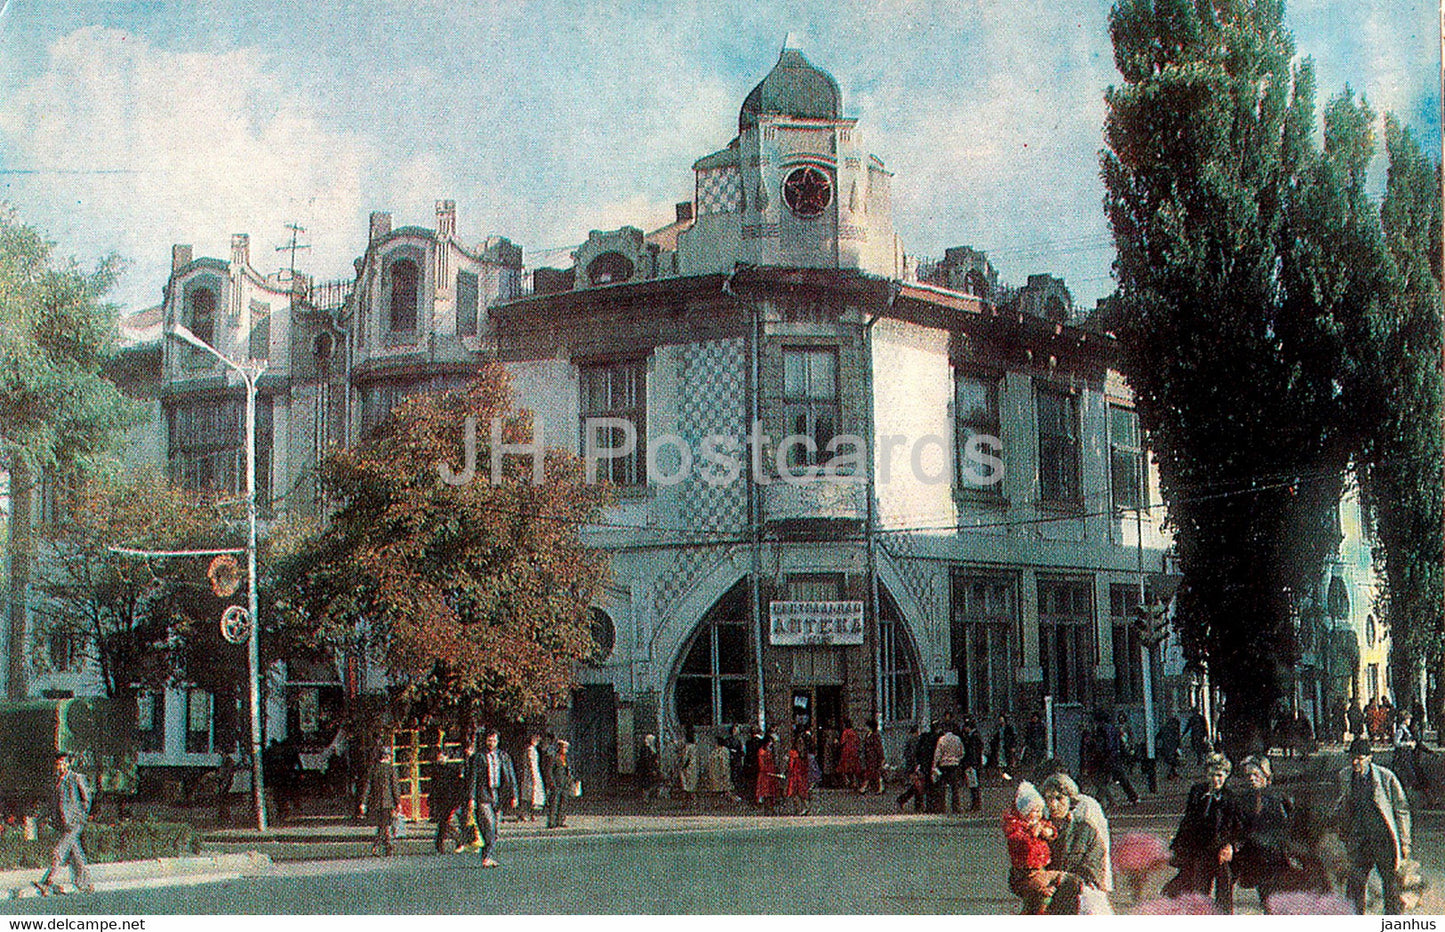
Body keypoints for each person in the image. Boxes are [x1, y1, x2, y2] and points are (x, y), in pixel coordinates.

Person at [1335, 737, 1411, 914]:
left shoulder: (1386, 777)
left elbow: (1402, 810)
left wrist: (1405, 842)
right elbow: (1343, 805)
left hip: (1383, 838)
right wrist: (1341, 828)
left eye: (1360, 758)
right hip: (1360, 839)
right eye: (1352, 758)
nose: (1355, 762)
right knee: (1355, 883)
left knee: (1390, 883)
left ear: (1370, 758)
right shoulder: (1345, 776)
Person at [1162, 752, 1240, 912]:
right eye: (1212, 775)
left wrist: (1230, 846)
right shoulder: (1197, 792)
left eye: (1220, 775)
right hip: (1200, 850)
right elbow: (1189, 820)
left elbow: (1235, 826)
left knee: (1224, 893)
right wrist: (1177, 845)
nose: (1215, 780)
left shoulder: (1230, 798)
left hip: (1220, 851)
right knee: (1199, 891)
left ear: (1226, 775)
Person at [1041, 773, 1112, 914]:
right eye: (1048, 798)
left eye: (1059, 798)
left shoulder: (1085, 831)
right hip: (1047, 900)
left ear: (1071, 800)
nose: (1053, 804)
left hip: (1077, 900)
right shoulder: (1039, 830)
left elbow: (1093, 869)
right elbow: (1021, 873)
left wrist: (1063, 880)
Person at [1232, 755, 1293, 911]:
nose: (1252, 779)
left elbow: (1290, 826)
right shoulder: (1243, 799)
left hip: (1276, 856)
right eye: (1248, 775)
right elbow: (1239, 826)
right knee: (1266, 899)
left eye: (1256, 774)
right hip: (1255, 857)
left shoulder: (1278, 798)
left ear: (1266, 775)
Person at [33, 754, 93, 896]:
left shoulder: (76, 778)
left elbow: (86, 799)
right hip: (63, 824)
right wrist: (41, 817)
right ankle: (85, 884)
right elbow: (53, 803)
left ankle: (46, 882)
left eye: (61, 764)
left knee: (58, 852)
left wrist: (79, 817)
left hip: (74, 823)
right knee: (75, 854)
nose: (59, 767)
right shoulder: (57, 782)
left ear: (67, 764)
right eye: (57, 764)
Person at [1002, 781, 1064, 914]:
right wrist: (1032, 834)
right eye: (1034, 811)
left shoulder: (1039, 823)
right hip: (1025, 869)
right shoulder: (1016, 825)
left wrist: (1048, 832)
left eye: (1040, 811)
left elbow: (1051, 829)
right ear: (1025, 811)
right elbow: (1016, 840)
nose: (1038, 814)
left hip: (1040, 865)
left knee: (1041, 899)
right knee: (1039, 896)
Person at [465, 727, 518, 865]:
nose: (491, 743)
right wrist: (471, 798)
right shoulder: (478, 757)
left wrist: (514, 795)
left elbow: (511, 776)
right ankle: (486, 856)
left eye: (494, 740)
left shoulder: (504, 757)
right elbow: (473, 778)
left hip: (498, 794)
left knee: (495, 829)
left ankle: (487, 854)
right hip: (483, 794)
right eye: (489, 740)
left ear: (498, 741)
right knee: (489, 825)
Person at [358, 744, 401, 857]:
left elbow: (367, 787)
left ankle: (387, 847)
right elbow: (394, 787)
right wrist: (398, 802)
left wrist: (363, 802)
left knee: (383, 824)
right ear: (388, 756)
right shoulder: (391, 769)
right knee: (384, 825)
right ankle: (379, 846)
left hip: (375, 802)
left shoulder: (373, 769)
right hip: (388, 802)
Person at [429, 738, 467, 852]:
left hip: (449, 800)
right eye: (439, 757)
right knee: (442, 822)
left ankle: (448, 842)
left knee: (443, 822)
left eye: (442, 756)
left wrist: (457, 800)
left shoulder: (452, 770)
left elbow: (458, 786)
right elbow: (433, 786)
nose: (440, 759)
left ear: (447, 757)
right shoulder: (435, 770)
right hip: (438, 800)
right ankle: (450, 842)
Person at [932, 720, 965, 814]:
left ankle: (942, 807)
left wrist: (935, 764)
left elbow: (938, 754)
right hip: (954, 765)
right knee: (955, 787)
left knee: (942, 787)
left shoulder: (942, 739)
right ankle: (956, 807)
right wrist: (957, 759)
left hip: (944, 765)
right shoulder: (957, 739)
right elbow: (962, 752)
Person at [544, 740, 572, 829]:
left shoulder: (566, 758)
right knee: (554, 803)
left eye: (566, 748)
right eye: (564, 747)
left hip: (564, 783)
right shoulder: (554, 757)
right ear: (559, 748)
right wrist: (552, 782)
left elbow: (568, 770)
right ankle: (552, 822)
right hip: (556, 783)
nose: (566, 750)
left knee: (563, 802)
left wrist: (569, 780)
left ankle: (561, 821)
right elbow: (549, 771)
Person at [896, 724, 925, 812]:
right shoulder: (915, 740)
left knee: (916, 786)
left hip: (910, 765)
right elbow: (914, 753)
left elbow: (906, 753)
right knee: (918, 786)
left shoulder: (909, 740)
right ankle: (909, 801)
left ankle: (909, 801)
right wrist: (916, 765)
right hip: (914, 766)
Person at [518, 733, 546, 822]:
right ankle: (525, 814)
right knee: (528, 796)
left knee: (531, 796)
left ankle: (530, 814)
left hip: (533, 773)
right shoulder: (530, 750)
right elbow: (531, 763)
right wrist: (534, 775)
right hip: (531, 774)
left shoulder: (532, 749)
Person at [962, 717, 985, 811]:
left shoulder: (973, 737)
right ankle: (976, 804)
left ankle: (975, 804)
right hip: (976, 763)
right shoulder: (976, 736)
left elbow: (973, 752)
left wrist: (971, 763)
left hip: (972, 764)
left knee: (973, 785)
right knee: (974, 785)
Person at [756, 732, 782, 813]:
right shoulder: (761, 751)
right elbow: (761, 764)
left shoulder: (769, 751)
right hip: (765, 774)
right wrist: (767, 770)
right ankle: (766, 808)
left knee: (771, 792)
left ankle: (771, 807)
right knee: (765, 792)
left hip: (771, 773)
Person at [785, 733, 811, 815]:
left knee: (794, 793)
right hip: (801, 775)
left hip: (795, 775)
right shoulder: (804, 754)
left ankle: (800, 809)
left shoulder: (793, 753)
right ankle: (805, 807)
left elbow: (791, 765)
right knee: (800, 793)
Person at [837, 719, 862, 790]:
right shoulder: (854, 732)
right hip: (854, 751)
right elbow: (858, 741)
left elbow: (842, 742)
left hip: (847, 751)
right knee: (854, 767)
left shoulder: (845, 732)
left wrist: (837, 742)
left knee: (845, 767)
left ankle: (848, 781)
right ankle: (854, 782)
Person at [677, 727, 699, 807]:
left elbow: (686, 758)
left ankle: (689, 801)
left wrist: (682, 766)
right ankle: (693, 801)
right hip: (694, 767)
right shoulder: (695, 746)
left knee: (687, 786)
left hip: (688, 767)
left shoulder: (688, 747)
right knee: (692, 786)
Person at [862, 719, 885, 794]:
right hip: (869, 756)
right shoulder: (868, 734)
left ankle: (865, 787)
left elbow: (878, 747)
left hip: (874, 756)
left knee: (874, 772)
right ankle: (877, 787)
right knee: (872, 772)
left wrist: (881, 757)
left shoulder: (875, 735)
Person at [1157, 712, 1182, 781]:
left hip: (1165, 747)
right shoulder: (1174, 730)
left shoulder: (1164, 728)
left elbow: (1158, 736)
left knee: (1171, 761)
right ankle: (1171, 774)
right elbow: (1177, 739)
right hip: (1172, 748)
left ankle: (1172, 773)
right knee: (1173, 761)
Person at [638, 733, 662, 800]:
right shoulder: (647, 749)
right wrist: (652, 769)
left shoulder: (650, 748)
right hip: (647, 769)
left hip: (648, 768)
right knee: (648, 782)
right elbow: (647, 760)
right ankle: (647, 796)